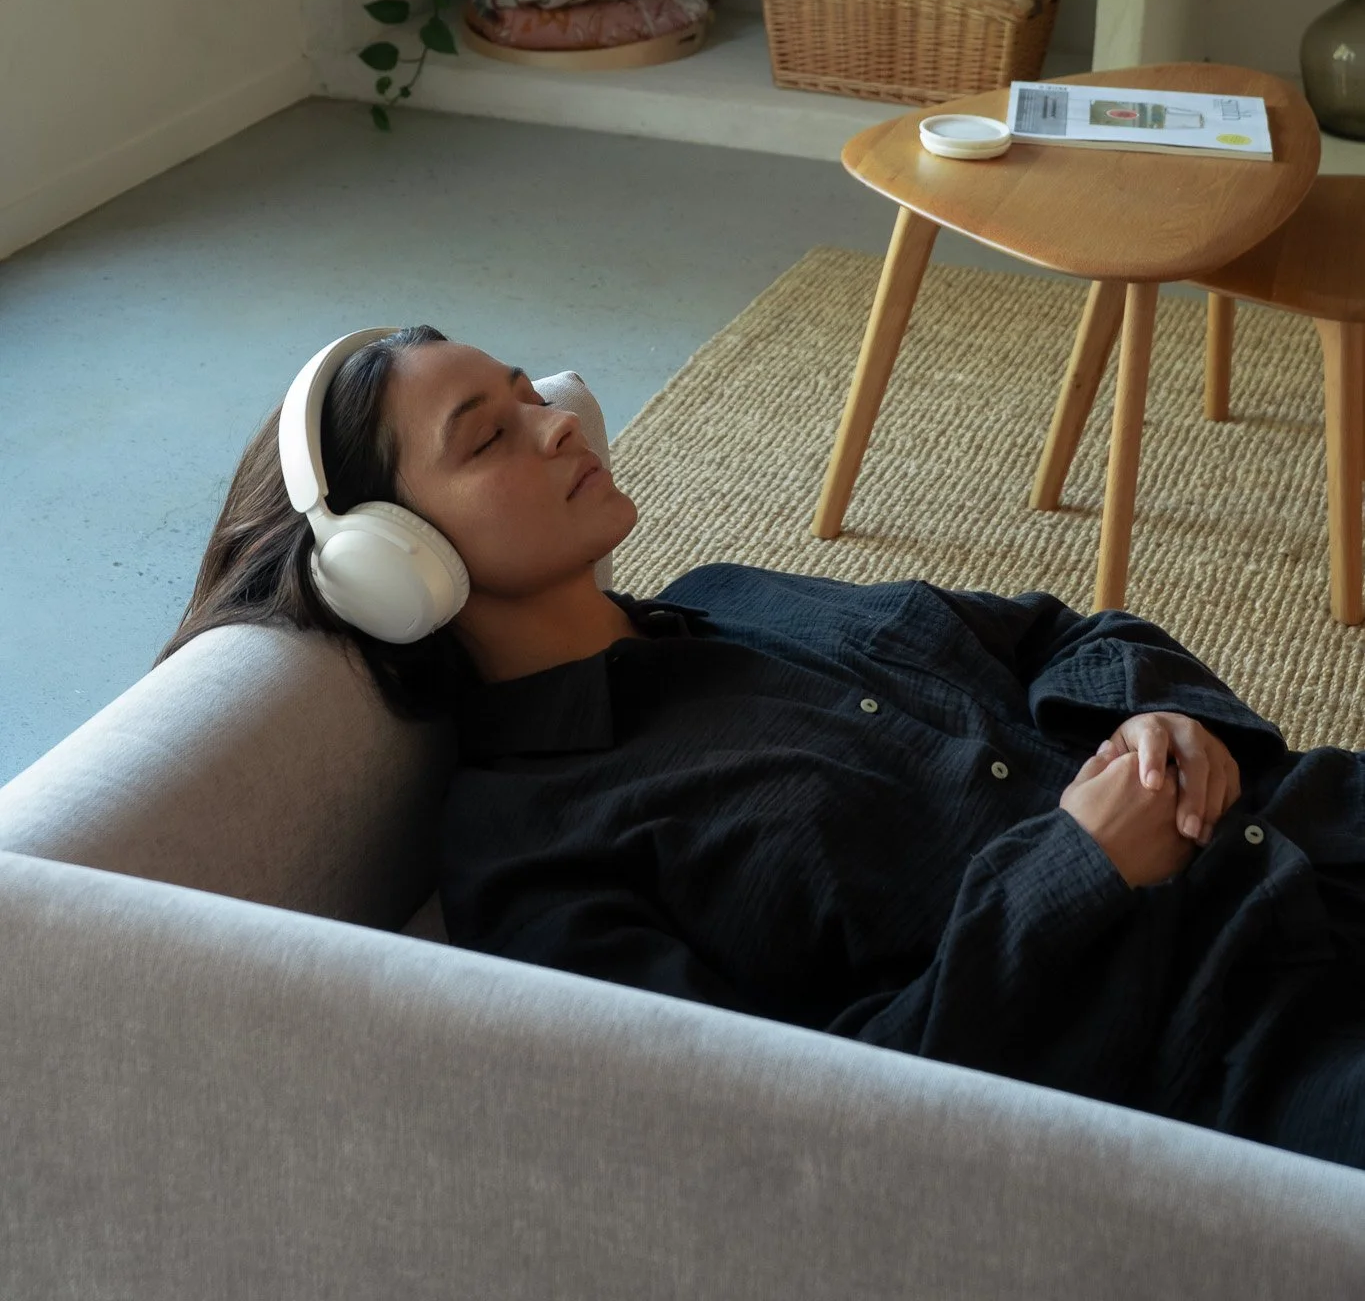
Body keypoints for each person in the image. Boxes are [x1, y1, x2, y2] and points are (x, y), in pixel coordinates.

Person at [158, 326, 1365, 1172]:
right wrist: (1073, 874)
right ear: (393, 562)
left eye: (533, 387)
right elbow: (803, 1119)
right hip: (1237, 1040)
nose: (558, 421)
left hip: (1317, 823)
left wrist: (1156, 719)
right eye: (487, 437)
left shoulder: (735, 586)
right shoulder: (535, 850)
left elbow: (1057, 630)